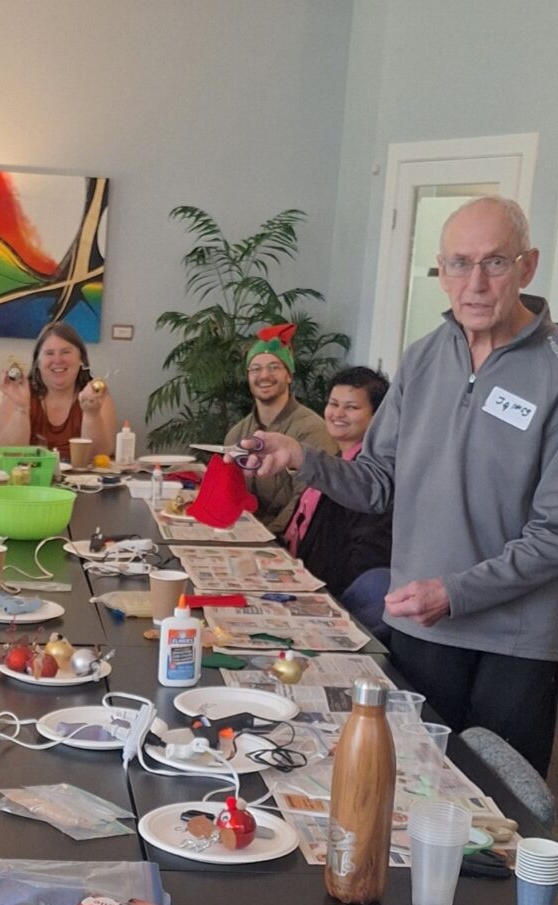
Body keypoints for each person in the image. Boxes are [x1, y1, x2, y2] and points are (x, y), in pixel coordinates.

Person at [237, 197, 558, 774]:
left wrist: (455, 593)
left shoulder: (554, 370)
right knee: (410, 783)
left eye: (496, 263)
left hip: (514, 640)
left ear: (528, 266)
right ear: (442, 271)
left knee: (502, 812)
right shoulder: (422, 360)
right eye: (459, 264)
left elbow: (553, 534)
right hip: (422, 623)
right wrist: (300, 457)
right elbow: (378, 483)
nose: (476, 283)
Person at [282, 366, 393, 639]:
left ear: (377, 417)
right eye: (333, 404)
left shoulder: (369, 480)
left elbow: (368, 557)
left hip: (338, 603)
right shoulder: (336, 463)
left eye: (352, 407)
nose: (338, 414)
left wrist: (323, 599)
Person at [224, 323, 336, 534]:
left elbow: (307, 502)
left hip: (287, 542)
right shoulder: (237, 434)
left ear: (289, 375)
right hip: (243, 536)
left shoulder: (313, 430)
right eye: (255, 369)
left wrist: (266, 536)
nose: (264, 375)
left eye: (274, 367)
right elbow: (231, 495)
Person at [0, 321, 117, 461]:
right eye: (49, 353)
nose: (57, 360)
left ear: (81, 360)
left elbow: (97, 457)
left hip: (82, 480)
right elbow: (10, 454)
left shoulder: (97, 396)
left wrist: (91, 413)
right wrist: (20, 407)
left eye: (66, 352)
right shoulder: (18, 394)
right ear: (38, 363)